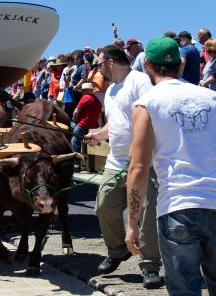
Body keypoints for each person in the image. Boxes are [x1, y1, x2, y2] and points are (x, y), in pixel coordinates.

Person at [125, 37, 216, 295]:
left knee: (184, 290)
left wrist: (133, 223)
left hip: (178, 206)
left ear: (147, 66)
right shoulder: (212, 98)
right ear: (182, 63)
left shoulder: (146, 104)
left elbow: (138, 168)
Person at [84, 45, 162, 289]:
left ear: (109, 62)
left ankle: (150, 266)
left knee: (146, 215)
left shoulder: (139, 81)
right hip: (115, 161)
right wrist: (98, 134)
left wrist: (138, 147)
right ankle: (118, 250)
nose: (96, 69)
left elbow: (151, 117)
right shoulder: (111, 91)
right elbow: (115, 124)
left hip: (143, 161)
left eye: (98, 64)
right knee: (104, 206)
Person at [71, 82, 101, 172]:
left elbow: (76, 111)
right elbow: (99, 116)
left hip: (82, 124)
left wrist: (74, 119)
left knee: (74, 142)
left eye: (83, 91)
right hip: (92, 126)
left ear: (87, 90)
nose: (82, 93)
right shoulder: (97, 100)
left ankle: (76, 165)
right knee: (87, 145)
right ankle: (89, 165)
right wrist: (100, 127)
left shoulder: (85, 97)